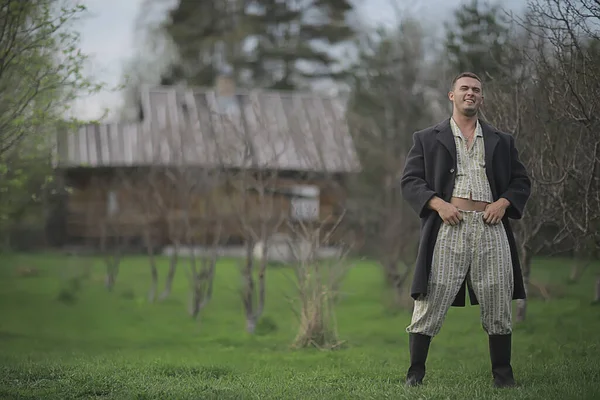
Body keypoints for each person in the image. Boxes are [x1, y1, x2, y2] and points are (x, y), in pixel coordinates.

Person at [400, 72, 531, 388]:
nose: (470, 93)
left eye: (476, 90)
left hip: (491, 227)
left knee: (499, 296)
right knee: (430, 297)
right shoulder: (427, 137)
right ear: (451, 95)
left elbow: (521, 181)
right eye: (464, 89)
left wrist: (503, 203)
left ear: (481, 98)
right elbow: (410, 181)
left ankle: (503, 376)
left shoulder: (501, 140)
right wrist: (438, 204)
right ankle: (415, 373)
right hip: (449, 226)